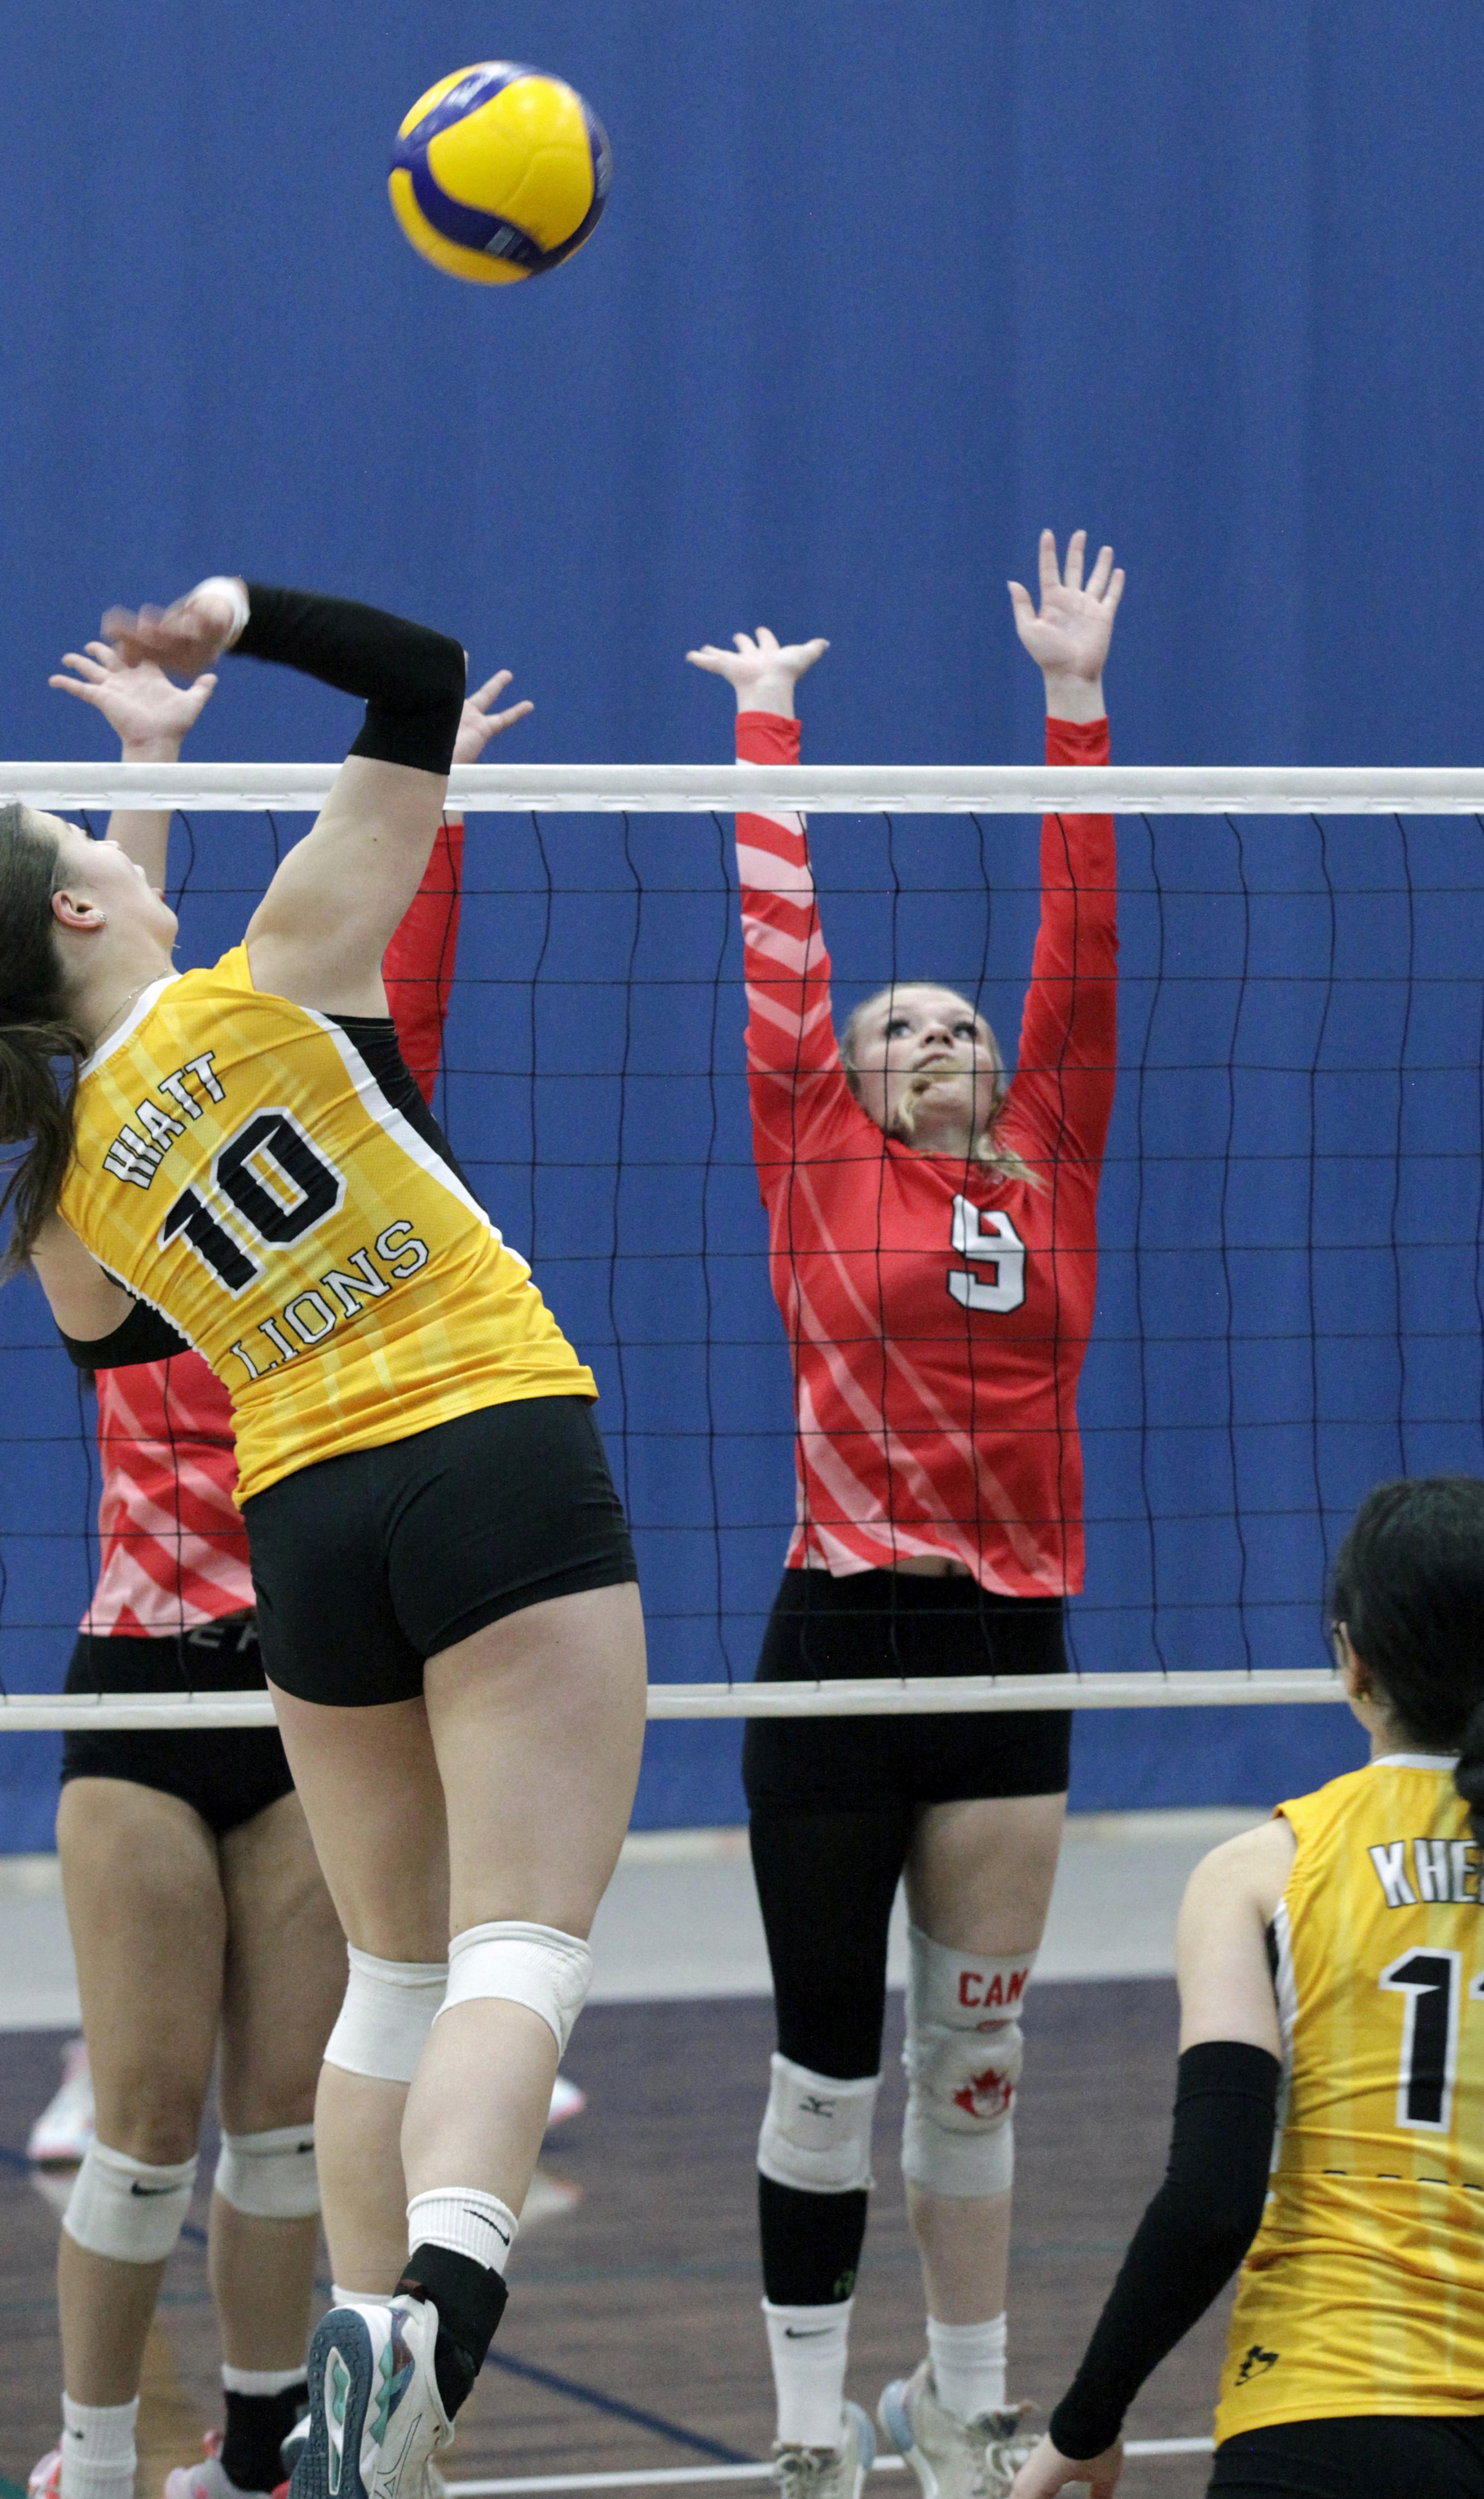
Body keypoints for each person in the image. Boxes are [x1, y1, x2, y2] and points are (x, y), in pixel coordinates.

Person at [0, 572, 646, 2499]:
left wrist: (135, 787)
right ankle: (431, 2311)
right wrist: (236, 614)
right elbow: (418, 679)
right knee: (519, 1952)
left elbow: (113, 1323)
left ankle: (369, 2410)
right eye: (89, 845)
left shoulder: (71, 1185)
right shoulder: (282, 970)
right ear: (82, 905)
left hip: (303, 1523)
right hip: (485, 1445)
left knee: (394, 1981)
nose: (118, 855)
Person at [13, 637, 531, 2499]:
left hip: (304, 1654)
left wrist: (423, 813)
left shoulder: (308, 1146)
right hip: (145, 1674)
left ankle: (249, 2455)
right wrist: (152, 768)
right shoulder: (107, 1175)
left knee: (285, 2125)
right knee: (142, 2126)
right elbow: (109, 1013)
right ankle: (90, 2455)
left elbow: (364, 990)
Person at [686, 528, 1123, 2499]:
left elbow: (1079, 951)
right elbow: (783, 963)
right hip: (843, 1639)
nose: (939, 1034)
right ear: (847, 1079)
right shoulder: (815, 1152)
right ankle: (806, 2436)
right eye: (901, 1027)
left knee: (974, 2073)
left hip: (1010, 1647)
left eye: (958, 1021)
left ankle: (965, 2407)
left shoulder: (1049, 1159)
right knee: (823, 2072)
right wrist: (767, 730)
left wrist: (1073, 702)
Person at [1012, 1474, 1484, 2499]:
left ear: (1353, 1659)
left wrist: (1088, 2420)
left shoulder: (1262, 1872)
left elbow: (1212, 2202)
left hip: (1334, 2406)